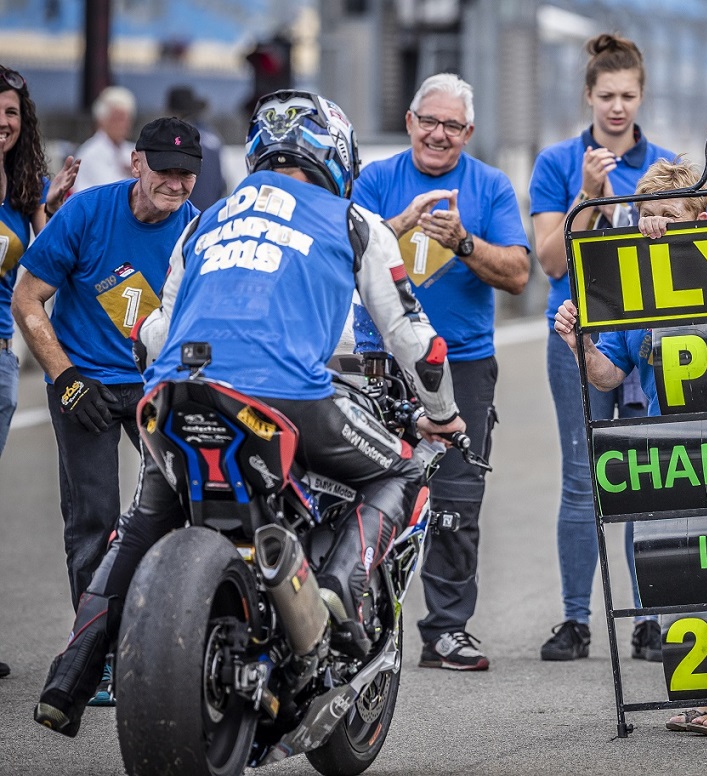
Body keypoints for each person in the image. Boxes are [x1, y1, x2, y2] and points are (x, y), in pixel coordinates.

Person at [33, 88, 465, 738]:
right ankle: (337, 592)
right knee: (403, 471)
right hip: (287, 398)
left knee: (145, 519)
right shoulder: (354, 221)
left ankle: (68, 677)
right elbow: (418, 344)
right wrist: (443, 416)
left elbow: (154, 333)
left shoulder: (204, 222)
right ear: (335, 157)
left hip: (176, 397)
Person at [555, 157, 707, 735]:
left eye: (668, 214)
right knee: (691, 566)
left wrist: (678, 240)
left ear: (699, 219)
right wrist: (582, 345)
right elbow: (610, 375)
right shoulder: (634, 284)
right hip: (674, 442)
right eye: (646, 214)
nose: (653, 224)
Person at [349, 73, 529, 672]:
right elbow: (338, 256)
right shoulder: (376, 181)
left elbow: (518, 274)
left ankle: (447, 630)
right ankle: (358, 625)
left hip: (463, 363)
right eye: (429, 121)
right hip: (378, 361)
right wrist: (398, 225)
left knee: (456, 500)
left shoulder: (490, 185)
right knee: (364, 487)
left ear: (468, 132)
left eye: (453, 125)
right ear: (409, 121)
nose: (438, 134)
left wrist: (465, 243)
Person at [14, 116, 201, 611]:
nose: (175, 184)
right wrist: (66, 378)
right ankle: (92, 640)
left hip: (155, 387)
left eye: (186, 173)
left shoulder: (198, 233)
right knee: (92, 521)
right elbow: (27, 298)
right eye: (164, 170)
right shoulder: (86, 212)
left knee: (186, 510)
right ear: (136, 163)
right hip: (84, 381)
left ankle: (161, 632)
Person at [529, 32, 675, 664]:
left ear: (642, 97)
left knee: (646, 478)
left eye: (628, 96)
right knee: (580, 477)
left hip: (646, 337)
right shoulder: (558, 162)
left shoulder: (664, 164)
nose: (617, 107)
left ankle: (651, 618)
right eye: (607, 96)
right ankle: (575, 619)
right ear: (588, 95)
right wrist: (588, 196)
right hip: (577, 331)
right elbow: (550, 261)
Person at [1, 64, 80, 459]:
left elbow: (51, 257)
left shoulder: (27, 186)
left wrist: (50, 209)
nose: (3, 122)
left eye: (11, 112)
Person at [166, 85, 227, 211]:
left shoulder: (177, 137)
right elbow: (222, 185)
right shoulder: (213, 136)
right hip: (211, 214)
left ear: (174, 112)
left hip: (188, 214)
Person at [71, 86, 136, 191]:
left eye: (127, 119)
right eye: (118, 119)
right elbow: (109, 190)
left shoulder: (132, 149)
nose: (124, 124)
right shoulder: (90, 153)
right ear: (102, 120)